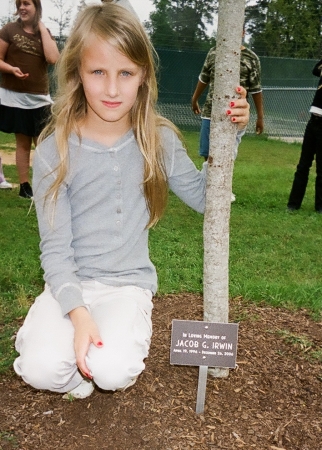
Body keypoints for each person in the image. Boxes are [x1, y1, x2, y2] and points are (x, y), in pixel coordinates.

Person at [13, 2, 249, 400]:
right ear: (77, 73)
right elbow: (55, 248)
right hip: (67, 286)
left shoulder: (158, 141)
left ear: (143, 76)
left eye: (125, 73)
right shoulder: (56, 149)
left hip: (126, 286)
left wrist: (230, 134)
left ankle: (99, 355)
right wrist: (77, 311)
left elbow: (207, 202)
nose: (111, 88)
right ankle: (73, 370)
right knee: (40, 370)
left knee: (113, 371)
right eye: (98, 72)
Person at [0, 0, 59, 199]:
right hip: (16, 98)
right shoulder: (9, 29)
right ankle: (25, 187)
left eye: (27, 3)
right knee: (23, 143)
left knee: (44, 144)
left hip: (40, 99)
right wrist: (11, 69)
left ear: (37, 7)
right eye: (19, 4)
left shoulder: (45, 32)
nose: (22, 8)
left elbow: (53, 59)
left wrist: (41, 27)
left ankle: (45, 185)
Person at [191, 33, 264, 162]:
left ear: (242, 32)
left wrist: (260, 117)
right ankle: (209, 182)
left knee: (226, 158)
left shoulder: (251, 58)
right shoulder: (213, 52)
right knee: (208, 156)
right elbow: (204, 77)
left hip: (233, 115)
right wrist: (194, 99)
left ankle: (223, 182)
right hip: (210, 113)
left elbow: (256, 89)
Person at [287, 59, 322, 212]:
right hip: (313, 121)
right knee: (303, 165)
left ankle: (320, 207)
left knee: (321, 169)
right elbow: (315, 70)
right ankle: (293, 204)